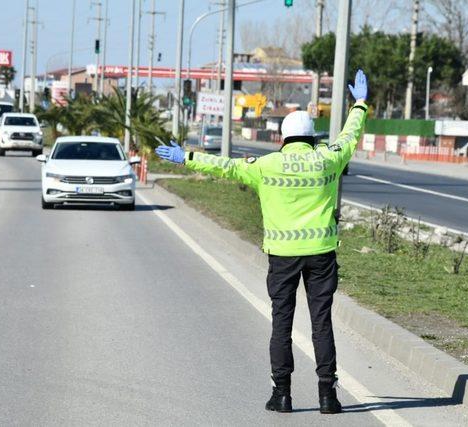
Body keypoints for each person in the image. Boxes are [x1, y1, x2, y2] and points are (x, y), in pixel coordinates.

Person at [155, 70, 368, 414]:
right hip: (322, 255)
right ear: (312, 137)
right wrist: (359, 103)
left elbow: (225, 166)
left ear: (283, 138)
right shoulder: (328, 158)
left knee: (282, 323)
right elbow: (350, 134)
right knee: (321, 323)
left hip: (283, 256)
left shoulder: (266, 165)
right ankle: (328, 396)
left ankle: (281, 394)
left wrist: (189, 157)